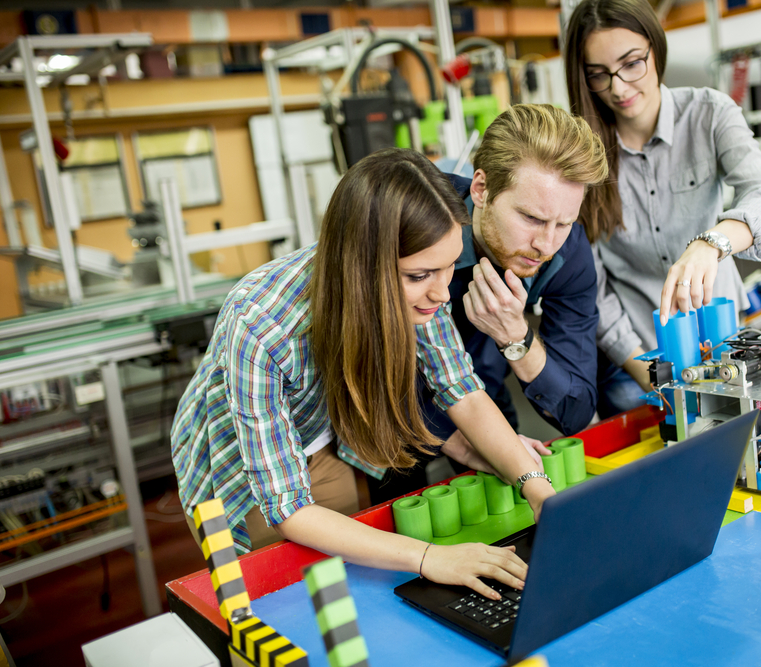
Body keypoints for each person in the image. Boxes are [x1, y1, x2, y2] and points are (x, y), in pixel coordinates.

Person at [170, 148, 555, 600]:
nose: (439, 290)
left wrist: (538, 488)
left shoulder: (416, 280)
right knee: (281, 609)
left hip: (324, 437)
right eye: (420, 274)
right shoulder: (257, 326)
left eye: (449, 265)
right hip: (237, 473)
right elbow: (287, 507)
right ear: (363, 268)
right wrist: (430, 557)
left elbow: (461, 389)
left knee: (344, 595)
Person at [564, 0, 761, 418]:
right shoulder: (580, 152)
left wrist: (712, 243)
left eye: (632, 63)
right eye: (599, 74)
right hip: (637, 357)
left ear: (656, 48)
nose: (618, 87)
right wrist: (649, 375)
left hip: (721, 341)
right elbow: (592, 284)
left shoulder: (709, 113)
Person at [368, 104, 609, 503]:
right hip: (384, 412)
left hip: (484, 400)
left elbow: (575, 410)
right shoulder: (412, 216)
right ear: (480, 190)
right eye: (531, 218)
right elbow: (365, 359)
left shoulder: (567, 257)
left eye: (563, 223)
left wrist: (517, 339)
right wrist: (456, 440)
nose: (546, 244)